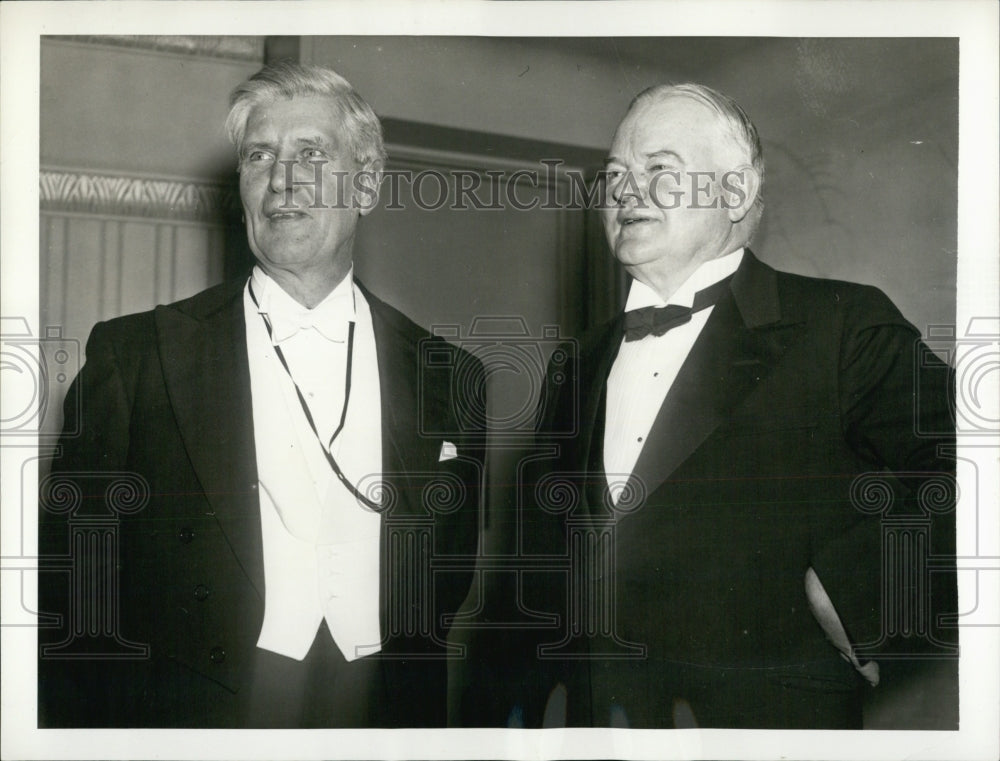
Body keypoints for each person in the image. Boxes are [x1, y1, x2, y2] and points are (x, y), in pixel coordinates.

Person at [38, 62, 486, 728]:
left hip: (388, 712)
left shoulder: (450, 374)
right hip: (199, 709)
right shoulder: (136, 357)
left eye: (311, 153)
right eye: (259, 156)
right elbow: (73, 596)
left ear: (365, 185)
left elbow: (447, 581)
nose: (282, 181)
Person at [522, 83, 957, 729]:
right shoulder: (574, 363)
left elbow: (972, 472)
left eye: (659, 170)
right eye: (614, 174)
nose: (625, 191)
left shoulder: (842, 324)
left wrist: (858, 593)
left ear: (736, 193)